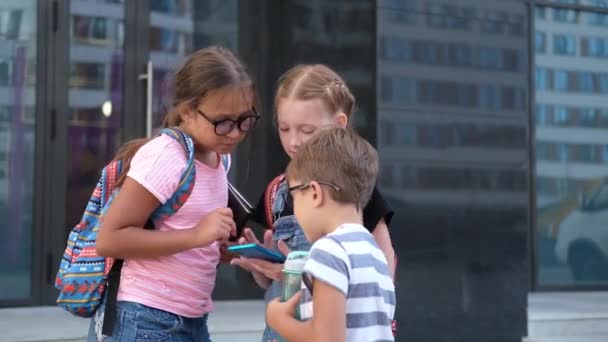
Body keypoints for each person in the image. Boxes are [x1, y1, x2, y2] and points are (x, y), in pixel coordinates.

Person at [93, 46, 259, 341]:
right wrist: (196, 236)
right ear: (187, 112)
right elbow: (110, 239)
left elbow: (181, 233)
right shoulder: (167, 156)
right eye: (223, 122)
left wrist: (215, 247)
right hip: (146, 317)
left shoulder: (219, 156)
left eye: (245, 120)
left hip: (192, 319)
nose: (235, 133)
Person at [231, 64, 396, 341]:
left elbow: (381, 267)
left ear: (339, 125)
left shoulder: (352, 191)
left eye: (307, 130)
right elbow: (272, 281)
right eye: (284, 128)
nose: (294, 141)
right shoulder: (276, 192)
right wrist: (263, 266)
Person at [266, 127, 396, 341]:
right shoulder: (376, 255)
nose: (296, 211)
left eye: (296, 198)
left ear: (315, 193)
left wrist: (279, 320)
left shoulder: (329, 250)